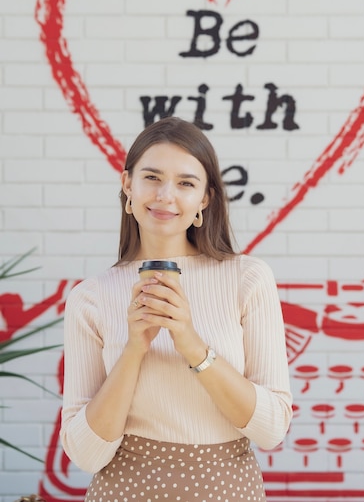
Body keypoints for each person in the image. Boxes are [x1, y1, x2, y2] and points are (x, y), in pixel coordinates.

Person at [61, 116, 293, 502]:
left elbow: (271, 430)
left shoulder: (247, 279)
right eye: (151, 177)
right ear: (127, 186)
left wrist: (190, 343)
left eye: (186, 183)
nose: (166, 195)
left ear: (204, 200)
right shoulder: (92, 297)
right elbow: (86, 454)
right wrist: (135, 347)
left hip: (228, 491)